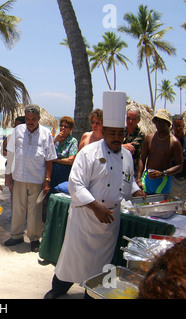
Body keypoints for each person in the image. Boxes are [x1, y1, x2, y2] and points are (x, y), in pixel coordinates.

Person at [44, 91, 145, 299]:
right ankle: (58, 288)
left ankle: (92, 294)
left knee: (101, 265)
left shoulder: (127, 155)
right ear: (105, 130)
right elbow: (75, 183)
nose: (117, 138)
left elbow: (128, 178)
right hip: (85, 218)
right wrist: (95, 206)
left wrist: (135, 189)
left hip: (110, 220)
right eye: (113, 133)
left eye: (120, 133)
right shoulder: (88, 153)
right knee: (72, 259)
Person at [4, 105, 57, 252]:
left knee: (35, 210)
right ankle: (16, 235)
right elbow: (11, 153)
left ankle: (34, 238)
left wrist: (47, 180)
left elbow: (49, 159)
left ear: (39, 119)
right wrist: (8, 175)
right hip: (19, 176)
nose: (30, 122)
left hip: (36, 178)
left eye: (33, 119)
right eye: (27, 119)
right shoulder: (18, 130)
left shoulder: (46, 134)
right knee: (18, 208)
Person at [136, 109, 183, 195]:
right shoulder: (149, 138)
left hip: (164, 181)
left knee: (161, 206)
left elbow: (179, 166)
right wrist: (138, 179)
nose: (159, 124)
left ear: (168, 124)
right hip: (148, 178)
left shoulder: (174, 142)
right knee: (145, 204)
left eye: (162, 122)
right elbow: (142, 159)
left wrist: (163, 173)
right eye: (157, 121)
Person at [51, 116, 78, 189]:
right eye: (61, 125)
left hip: (64, 172)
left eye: (66, 127)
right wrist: (55, 140)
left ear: (71, 129)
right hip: (52, 172)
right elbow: (46, 152)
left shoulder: (73, 141)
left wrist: (56, 160)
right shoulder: (55, 139)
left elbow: (70, 160)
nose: (63, 128)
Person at [123, 107, 145, 173]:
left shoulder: (140, 135)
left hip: (132, 170)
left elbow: (130, 149)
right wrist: (123, 146)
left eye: (133, 119)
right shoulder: (120, 131)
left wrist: (118, 146)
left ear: (138, 120)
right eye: (128, 118)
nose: (130, 121)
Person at [171, 115, 186, 213]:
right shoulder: (170, 140)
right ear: (172, 126)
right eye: (176, 126)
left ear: (184, 125)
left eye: (180, 126)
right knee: (173, 208)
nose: (178, 128)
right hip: (173, 180)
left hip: (185, 180)